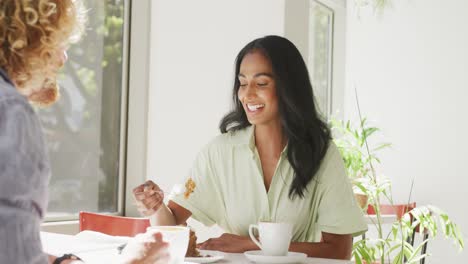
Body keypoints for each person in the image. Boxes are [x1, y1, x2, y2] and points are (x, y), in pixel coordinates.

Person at [133, 35, 367, 259]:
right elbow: (172, 223)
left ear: (289, 87)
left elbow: (339, 251)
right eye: (242, 83)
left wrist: (252, 244)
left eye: (261, 83)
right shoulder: (219, 153)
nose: (247, 94)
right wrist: (155, 208)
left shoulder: (322, 155)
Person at [0, 1, 169, 263]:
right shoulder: (12, 113)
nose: (63, 57)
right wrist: (134, 261)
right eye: (59, 41)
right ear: (28, 40)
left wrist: (60, 261)